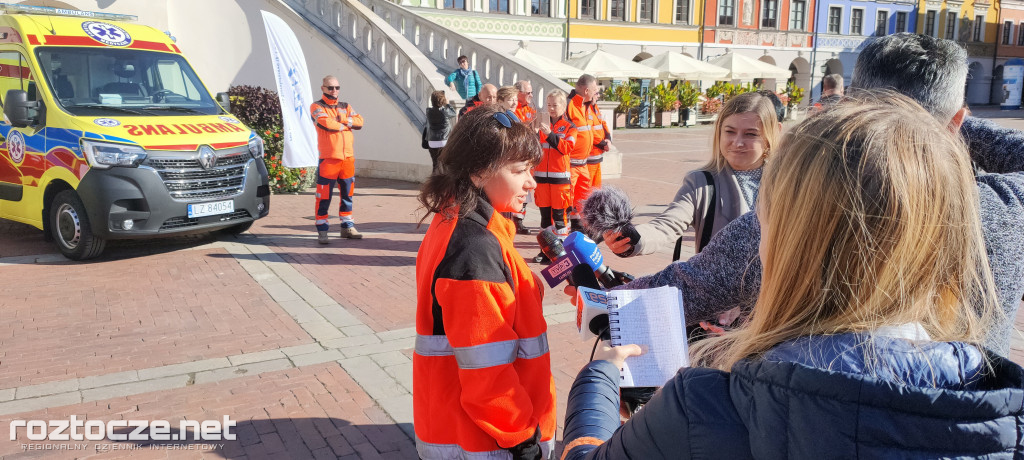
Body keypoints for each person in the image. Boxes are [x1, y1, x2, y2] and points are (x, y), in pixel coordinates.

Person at [560, 94, 1024, 460]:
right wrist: (936, 124)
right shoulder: (997, 404)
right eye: (730, 131)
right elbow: (670, 230)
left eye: (764, 223)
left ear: (784, 239)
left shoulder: (704, 406)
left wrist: (598, 379)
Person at [601, 33, 1024, 357]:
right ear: (958, 119)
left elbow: (694, 286)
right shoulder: (1006, 209)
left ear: (850, 107)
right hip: (973, 431)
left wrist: (605, 305)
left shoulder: (814, 200)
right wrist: (941, 129)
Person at [413, 106, 555, 460]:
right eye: (519, 170)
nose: (531, 182)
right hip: (485, 443)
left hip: (475, 431)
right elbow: (487, 373)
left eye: (531, 169)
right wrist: (523, 441)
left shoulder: (465, 220)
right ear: (478, 171)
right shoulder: (474, 248)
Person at [605, 92, 780, 259]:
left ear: (771, 135)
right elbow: (667, 225)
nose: (737, 142)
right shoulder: (702, 183)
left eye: (751, 134)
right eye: (730, 131)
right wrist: (635, 239)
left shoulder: (786, 183)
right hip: (721, 288)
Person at [311, 75, 364, 244]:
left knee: (347, 194)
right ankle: (322, 229)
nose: (334, 91)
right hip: (329, 159)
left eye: (337, 88)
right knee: (324, 196)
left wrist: (342, 120)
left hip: (347, 158)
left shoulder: (345, 106)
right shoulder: (316, 106)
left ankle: (347, 226)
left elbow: (360, 122)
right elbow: (326, 123)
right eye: (330, 88)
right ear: (323, 88)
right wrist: (347, 125)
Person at [532, 89, 577, 263]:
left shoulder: (570, 128)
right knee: (544, 218)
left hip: (560, 180)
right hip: (541, 179)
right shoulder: (541, 124)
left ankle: (562, 253)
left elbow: (566, 148)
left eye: (555, 105)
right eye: (548, 105)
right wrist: (535, 132)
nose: (551, 108)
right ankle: (545, 251)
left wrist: (549, 134)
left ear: (563, 106)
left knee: (560, 218)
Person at [566, 74, 603, 231]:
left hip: (584, 163)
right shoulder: (570, 106)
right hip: (571, 163)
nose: (596, 93)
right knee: (568, 198)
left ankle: (579, 224)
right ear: (586, 90)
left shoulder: (586, 105)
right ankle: (561, 230)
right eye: (594, 90)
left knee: (582, 197)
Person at [424, 90, 456, 172]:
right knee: (445, 166)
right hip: (443, 141)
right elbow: (453, 113)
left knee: (435, 165)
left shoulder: (428, 111)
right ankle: (444, 183)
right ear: (443, 100)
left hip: (432, 142)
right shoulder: (444, 112)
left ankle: (433, 183)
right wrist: (448, 104)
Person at [586, 91, 612, 190]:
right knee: (588, 190)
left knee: (596, 189)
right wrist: (603, 144)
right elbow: (589, 130)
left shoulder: (595, 108)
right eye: (596, 93)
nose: (598, 96)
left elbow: (603, 124)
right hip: (590, 157)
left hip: (597, 156)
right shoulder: (586, 109)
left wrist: (608, 139)